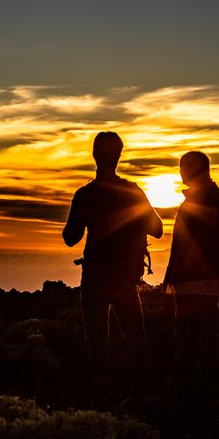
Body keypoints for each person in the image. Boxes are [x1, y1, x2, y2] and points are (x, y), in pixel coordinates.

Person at [63, 131, 163, 366]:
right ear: (119, 156)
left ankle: (99, 396)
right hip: (125, 279)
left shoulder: (85, 194)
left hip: (95, 279)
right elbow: (157, 229)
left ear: (94, 155)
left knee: (97, 347)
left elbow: (70, 238)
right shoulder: (132, 192)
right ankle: (148, 392)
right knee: (137, 341)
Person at [163, 151, 219, 372]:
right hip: (201, 279)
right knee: (202, 337)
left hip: (197, 280)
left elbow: (193, 243)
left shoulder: (205, 196)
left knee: (193, 338)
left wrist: (175, 277)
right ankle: (207, 389)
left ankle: (199, 390)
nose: (181, 172)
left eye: (183, 167)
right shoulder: (207, 194)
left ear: (193, 169)